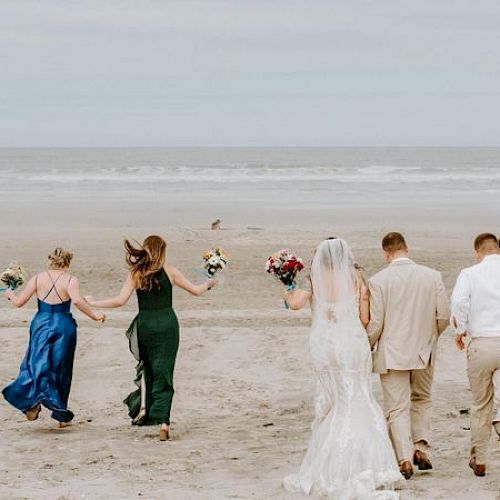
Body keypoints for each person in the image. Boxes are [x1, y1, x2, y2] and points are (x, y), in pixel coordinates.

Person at [281, 238, 400, 499]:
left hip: (324, 344)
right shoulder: (357, 277)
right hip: (353, 343)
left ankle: (333, 460)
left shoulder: (313, 278)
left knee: (335, 401)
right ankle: (367, 461)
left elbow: (295, 304)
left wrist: (286, 287)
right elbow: (365, 318)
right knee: (359, 397)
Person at [86, 235, 214, 441]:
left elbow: (120, 301)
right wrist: (209, 283)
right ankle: (164, 422)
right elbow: (196, 291)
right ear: (162, 251)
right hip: (167, 324)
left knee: (150, 369)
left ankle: (147, 409)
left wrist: (94, 302)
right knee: (165, 370)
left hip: (145, 324)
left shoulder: (136, 273)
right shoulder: (171, 272)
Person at [367, 232, 449, 480]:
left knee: (397, 408)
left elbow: (377, 323)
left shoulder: (378, 281)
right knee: (422, 399)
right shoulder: (432, 276)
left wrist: (367, 345)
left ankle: (404, 458)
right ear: (406, 248)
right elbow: (443, 315)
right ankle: (420, 448)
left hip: (392, 353)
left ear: (386, 253)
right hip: (424, 350)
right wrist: (430, 337)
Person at [2, 248, 105, 426]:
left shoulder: (37, 278)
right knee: (62, 367)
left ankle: (31, 402)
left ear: (51, 261)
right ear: (67, 263)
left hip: (41, 323)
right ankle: (60, 415)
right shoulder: (71, 280)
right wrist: (95, 316)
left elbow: (19, 303)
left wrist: (10, 293)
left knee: (35, 363)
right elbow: (78, 301)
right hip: (63, 325)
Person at [451, 232, 500, 476]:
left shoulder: (470, 274)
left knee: (481, 404)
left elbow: (459, 303)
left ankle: (479, 459)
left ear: (477, 252)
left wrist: (460, 330)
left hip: (482, 343)